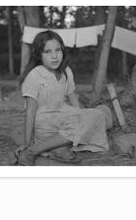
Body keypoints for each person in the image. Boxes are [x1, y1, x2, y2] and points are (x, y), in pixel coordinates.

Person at [15, 30, 109, 165]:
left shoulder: (66, 71)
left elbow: (72, 98)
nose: (54, 56)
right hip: (45, 122)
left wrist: (82, 116)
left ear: (63, 51)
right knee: (82, 124)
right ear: (39, 55)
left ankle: (58, 147)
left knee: (97, 115)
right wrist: (26, 142)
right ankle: (31, 150)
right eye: (47, 52)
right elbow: (30, 112)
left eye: (58, 50)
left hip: (63, 115)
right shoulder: (34, 76)